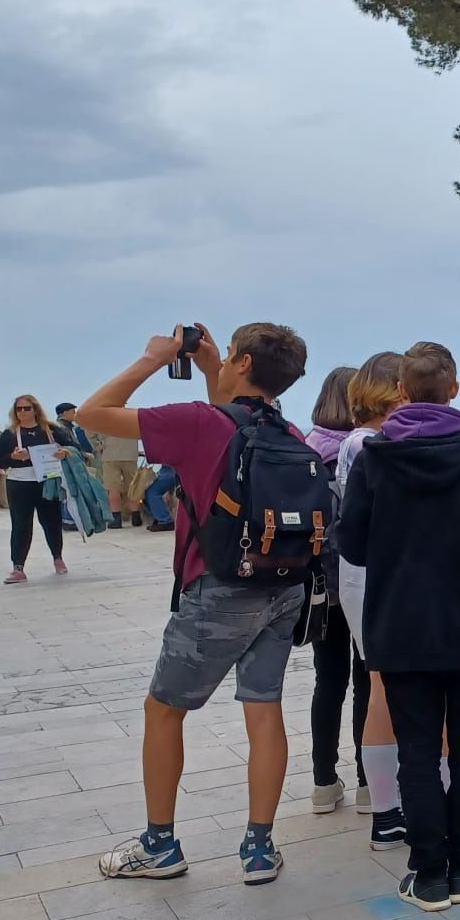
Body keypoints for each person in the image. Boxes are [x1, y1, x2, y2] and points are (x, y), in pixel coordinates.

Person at [78, 322, 312, 886]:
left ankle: (159, 844)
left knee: (164, 710)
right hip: (283, 587)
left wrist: (154, 358)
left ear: (246, 365)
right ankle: (258, 848)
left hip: (218, 589)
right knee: (264, 709)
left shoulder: (195, 423)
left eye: (231, 355)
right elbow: (228, 423)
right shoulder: (290, 432)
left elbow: (91, 413)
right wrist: (213, 365)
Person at [340, 344, 460, 910]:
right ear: (454, 390)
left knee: (416, 749)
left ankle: (428, 871)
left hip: (401, 627)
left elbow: (352, 544)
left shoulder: (374, 458)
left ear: (402, 392)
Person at [334, 351, 408, 845]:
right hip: (376, 573)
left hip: (362, 572)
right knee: (384, 687)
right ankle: (387, 807)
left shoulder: (355, 442)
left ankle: (389, 805)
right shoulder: (370, 445)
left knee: (383, 686)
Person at [303, 366, 371, 819]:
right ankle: (371, 782)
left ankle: (324, 782)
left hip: (321, 584)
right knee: (368, 678)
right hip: (362, 577)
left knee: (328, 682)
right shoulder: (366, 449)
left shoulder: (303, 451)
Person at [0, 395, 76, 584]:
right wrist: (15, 457)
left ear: (36, 410)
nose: (23, 412)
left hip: (47, 480)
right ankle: (18, 567)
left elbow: (73, 447)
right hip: (19, 482)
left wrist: (63, 452)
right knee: (21, 525)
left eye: (27, 408)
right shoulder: (10, 433)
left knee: (52, 522)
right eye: (19, 409)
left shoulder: (51, 430)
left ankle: (58, 557)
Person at [96, 421, 145, 529]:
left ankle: (116, 519)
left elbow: (88, 431)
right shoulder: (129, 417)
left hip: (110, 454)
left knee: (113, 488)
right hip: (130, 454)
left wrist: (97, 444)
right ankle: (136, 516)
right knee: (133, 487)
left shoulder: (103, 417)